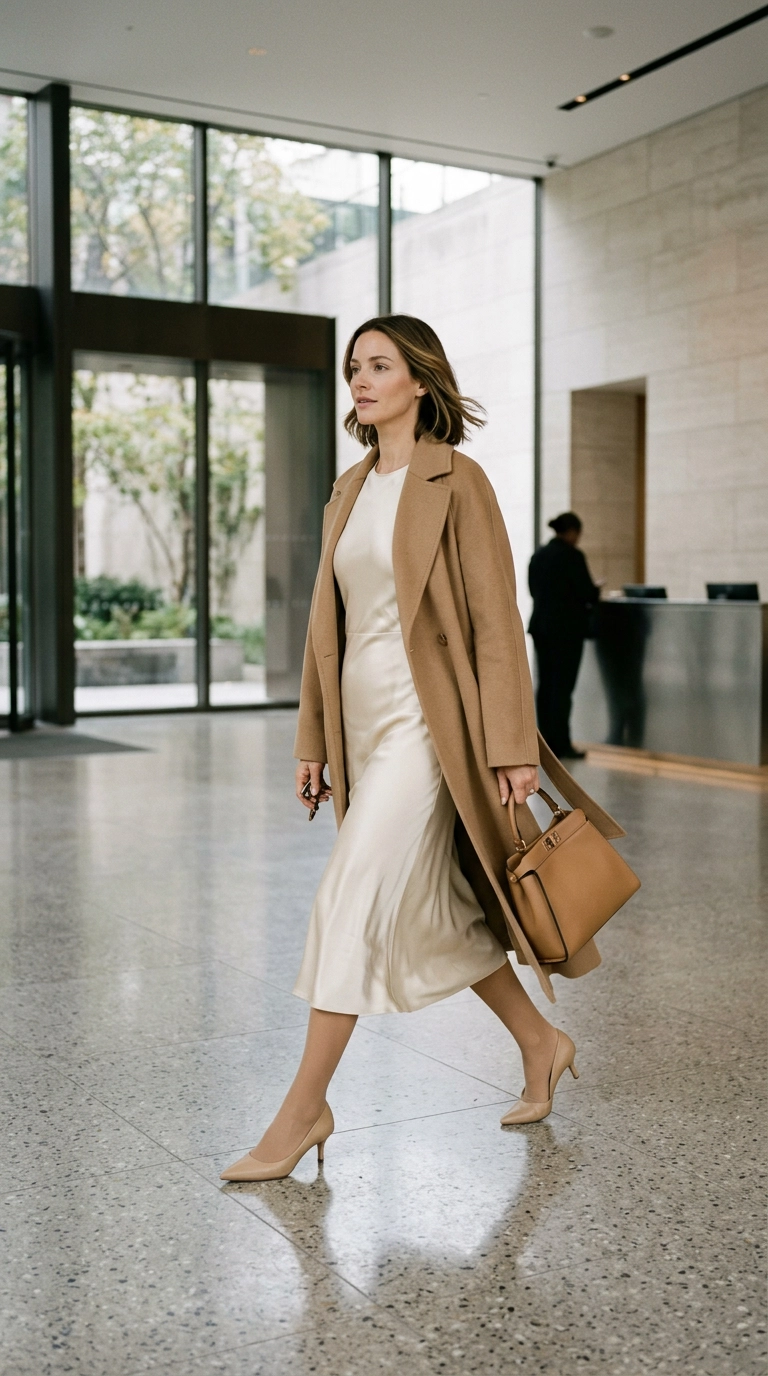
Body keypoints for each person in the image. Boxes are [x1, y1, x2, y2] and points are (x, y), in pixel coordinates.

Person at [221, 319, 613, 1184]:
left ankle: (302, 1111)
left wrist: (512, 744)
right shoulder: (347, 489)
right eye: (354, 367)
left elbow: (495, 622)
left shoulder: (456, 480)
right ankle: (541, 1043)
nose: (360, 381)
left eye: (380, 366)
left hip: (430, 733)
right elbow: (330, 629)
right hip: (362, 730)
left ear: (420, 382)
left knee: (350, 900)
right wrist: (313, 741)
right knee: (440, 917)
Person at [527, 513, 600, 761]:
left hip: (542, 629)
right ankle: (561, 744)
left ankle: (544, 744)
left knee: (545, 687)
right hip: (567, 632)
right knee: (562, 688)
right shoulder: (573, 557)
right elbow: (586, 592)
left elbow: (533, 590)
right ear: (572, 532)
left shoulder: (538, 556)